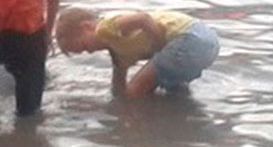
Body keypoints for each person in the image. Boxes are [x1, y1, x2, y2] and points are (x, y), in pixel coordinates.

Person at [55, 7, 219, 98]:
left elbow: (143, 19)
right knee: (173, 91)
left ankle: (137, 131)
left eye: (84, 45)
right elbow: (118, 84)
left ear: (87, 27)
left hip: (188, 39)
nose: (90, 51)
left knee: (135, 91)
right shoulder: (118, 52)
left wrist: (158, 46)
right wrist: (116, 98)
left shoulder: (105, 28)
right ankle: (176, 122)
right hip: (207, 42)